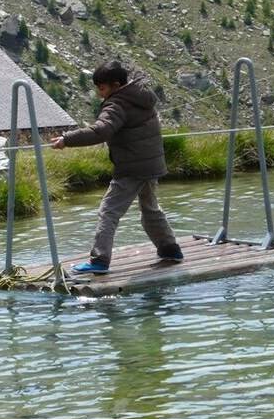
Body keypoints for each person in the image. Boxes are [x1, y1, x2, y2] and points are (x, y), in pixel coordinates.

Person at [51, 60, 183, 274]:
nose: (99, 94)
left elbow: (101, 131)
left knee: (108, 211)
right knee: (150, 208)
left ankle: (99, 261)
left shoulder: (117, 104)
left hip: (132, 167)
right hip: (151, 163)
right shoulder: (141, 97)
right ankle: (170, 249)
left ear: (115, 84)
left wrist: (67, 140)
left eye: (101, 88)